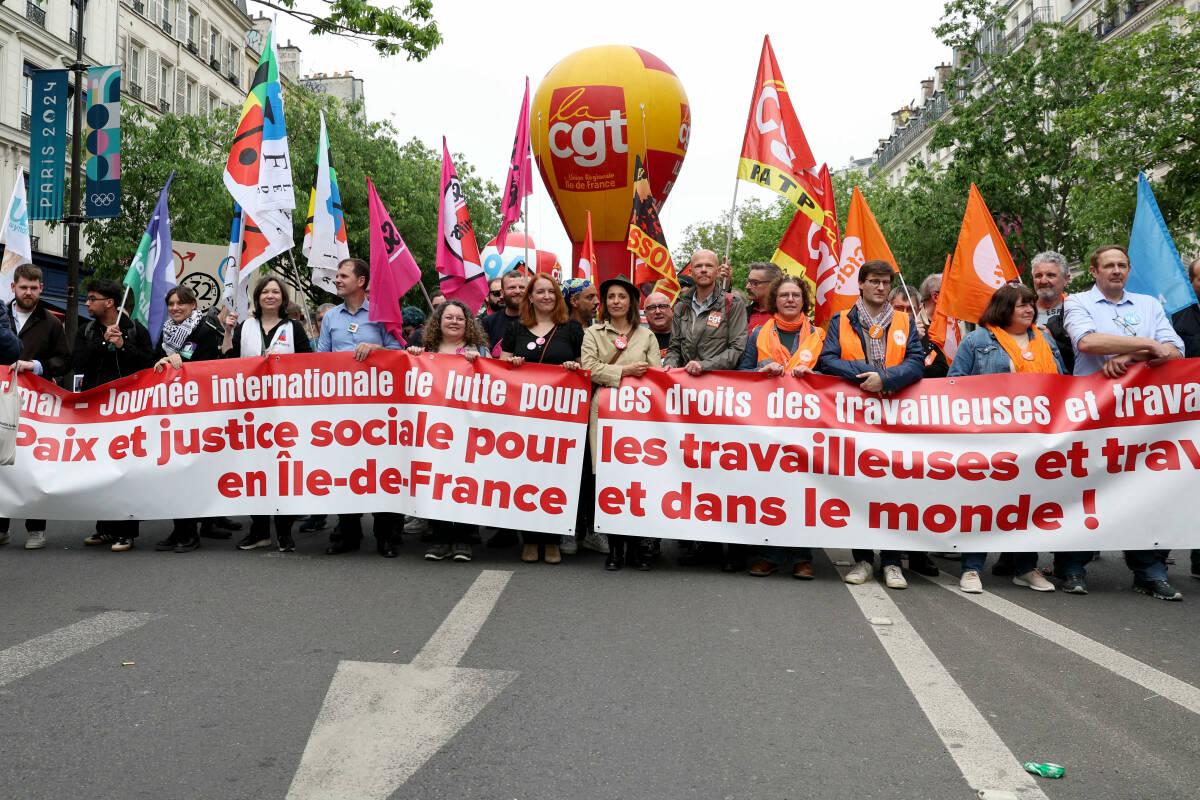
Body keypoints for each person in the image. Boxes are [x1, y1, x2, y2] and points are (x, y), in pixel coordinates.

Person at [1062, 244, 1184, 600]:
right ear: (1094, 270)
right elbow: (1087, 342)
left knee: (1146, 489)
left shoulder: (1149, 304)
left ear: (1128, 270)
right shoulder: (1078, 303)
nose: (1116, 271)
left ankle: (1150, 571)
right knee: (1087, 491)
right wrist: (1147, 343)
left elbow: (1174, 350)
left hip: (1145, 415)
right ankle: (1073, 567)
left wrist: (1128, 355)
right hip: (1095, 413)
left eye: (1122, 265)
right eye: (1109, 266)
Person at [948, 284, 1063, 593]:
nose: (1029, 310)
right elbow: (953, 386)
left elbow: (1064, 385)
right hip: (989, 438)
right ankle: (972, 567)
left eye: (1031, 305)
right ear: (1003, 308)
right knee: (983, 503)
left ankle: (1025, 567)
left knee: (1027, 504)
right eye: (1021, 305)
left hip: (1035, 440)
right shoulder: (976, 340)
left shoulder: (1045, 340)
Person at [819, 260, 925, 590]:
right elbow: (828, 359)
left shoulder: (905, 322)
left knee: (894, 487)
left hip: (896, 414)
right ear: (861, 284)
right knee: (860, 485)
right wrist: (866, 375)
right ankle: (863, 559)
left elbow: (916, 362)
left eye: (885, 282)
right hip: (856, 414)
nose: (880, 287)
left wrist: (888, 378)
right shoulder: (841, 321)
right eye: (874, 282)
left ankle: (893, 562)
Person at [665, 249, 748, 571]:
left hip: (720, 395)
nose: (702, 270)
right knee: (693, 469)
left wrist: (706, 366)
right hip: (686, 397)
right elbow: (674, 347)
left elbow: (738, 348)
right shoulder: (682, 304)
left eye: (708, 266)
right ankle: (704, 543)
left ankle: (734, 549)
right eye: (697, 265)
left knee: (723, 469)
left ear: (718, 270)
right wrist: (670, 369)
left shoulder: (731, 303)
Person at [738, 274, 824, 579]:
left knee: (805, 490)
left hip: (807, 425)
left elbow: (831, 375)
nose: (790, 300)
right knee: (771, 489)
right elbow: (742, 372)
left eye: (796, 295)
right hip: (767, 424)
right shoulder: (758, 334)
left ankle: (803, 557)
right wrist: (761, 371)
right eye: (784, 295)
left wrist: (814, 374)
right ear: (775, 300)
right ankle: (769, 554)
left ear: (804, 301)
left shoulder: (819, 334)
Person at [316, 257, 404, 557]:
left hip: (378, 409)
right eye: (337, 276)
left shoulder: (383, 315)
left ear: (361, 281)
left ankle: (386, 534)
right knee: (345, 471)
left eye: (343, 275)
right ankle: (348, 532)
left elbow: (400, 354)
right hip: (342, 409)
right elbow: (321, 361)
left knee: (380, 470)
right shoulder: (330, 318)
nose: (337, 280)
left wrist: (377, 350)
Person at [220, 276, 312, 551]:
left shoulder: (293, 327)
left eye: (276, 292)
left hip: (286, 411)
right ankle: (259, 530)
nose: (270, 296)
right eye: (265, 292)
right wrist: (227, 331)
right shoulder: (246, 326)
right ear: (257, 297)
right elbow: (228, 361)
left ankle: (284, 531)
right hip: (252, 411)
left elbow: (310, 362)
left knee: (284, 471)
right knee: (255, 471)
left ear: (283, 299)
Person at [500, 273, 584, 564]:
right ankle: (530, 538)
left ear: (558, 297)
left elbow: (585, 367)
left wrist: (574, 367)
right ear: (530, 297)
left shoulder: (572, 329)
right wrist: (510, 364)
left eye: (552, 291)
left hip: (561, 421)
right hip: (523, 419)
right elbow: (500, 367)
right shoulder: (515, 329)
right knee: (525, 477)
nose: (547, 296)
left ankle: (553, 538)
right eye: (540, 291)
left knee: (557, 478)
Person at [581, 274, 661, 570]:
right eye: (611, 296)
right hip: (604, 411)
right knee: (607, 480)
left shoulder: (647, 335)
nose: (616, 301)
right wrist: (625, 370)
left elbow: (657, 373)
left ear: (631, 302)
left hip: (640, 415)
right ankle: (615, 549)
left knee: (638, 479)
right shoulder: (594, 333)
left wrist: (642, 374)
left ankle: (637, 548)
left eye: (621, 296)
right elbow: (588, 368)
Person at [408, 300, 490, 563]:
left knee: (464, 483)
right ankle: (441, 539)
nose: (454, 322)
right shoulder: (427, 350)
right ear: (438, 322)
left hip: (467, 428)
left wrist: (479, 363)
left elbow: (493, 382)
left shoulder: (479, 351)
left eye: (459, 318)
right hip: (434, 429)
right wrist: (412, 355)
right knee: (437, 483)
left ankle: (463, 539)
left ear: (468, 324)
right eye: (448, 317)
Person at [75, 279, 154, 551]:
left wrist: (122, 345)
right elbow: (78, 363)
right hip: (96, 409)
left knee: (126, 470)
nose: (87, 303)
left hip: (129, 410)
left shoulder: (135, 329)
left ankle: (126, 531)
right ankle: (104, 528)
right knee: (99, 469)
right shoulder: (85, 331)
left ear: (109, 302)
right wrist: (101, 343)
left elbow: (148, 365)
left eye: (92, 298)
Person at [149, 286, 225, 553]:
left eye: (181, 303)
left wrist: (178, 359)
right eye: (171, 303)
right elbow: (155, 360)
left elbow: (197, 360)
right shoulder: (167, 332)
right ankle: (179, 528)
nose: (175, 308)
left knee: (191, 471)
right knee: (174, 472)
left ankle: (189, 531)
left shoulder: (204, 329)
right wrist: (163, 360)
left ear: (193, 305)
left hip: (198, 410)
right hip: (172, 412)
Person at [0, 265, 67, 550]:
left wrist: (36, 366)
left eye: (34, 287)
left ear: (41, 288)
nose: (28, 292)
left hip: (36, 406)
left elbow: (64, 360)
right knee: (3, 464)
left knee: (34, 465)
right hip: (3, 398)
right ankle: (1, 526)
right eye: (23, 287)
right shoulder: (2, 316)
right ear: (13, 287)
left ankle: (36, 527)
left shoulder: (52, 323)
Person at [1030, 251, 1075, 374]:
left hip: (1071, 385)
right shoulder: (1018, 312)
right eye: (1038, 276)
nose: (1043, 281)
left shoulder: (1079, 310)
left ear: (1066, 279)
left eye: (1050, 275)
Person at [482, 271, 528, 353]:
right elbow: (484, 354)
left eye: (521, 287)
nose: (517, 291)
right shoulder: (488, 322)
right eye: (512, 287)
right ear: (502, 292)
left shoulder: (539, 320)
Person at [742, 262, 781, 332]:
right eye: (748, 282)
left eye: (755, 283)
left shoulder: (785, 315)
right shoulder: (743, 313)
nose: (747, 287)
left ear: (773, 284)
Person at [643, 290, 673, 360]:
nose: (658, 311)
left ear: (672, 310)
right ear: (645, 313)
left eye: (662, 306)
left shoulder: (686, 337)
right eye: (652, 308)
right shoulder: (638, 340)